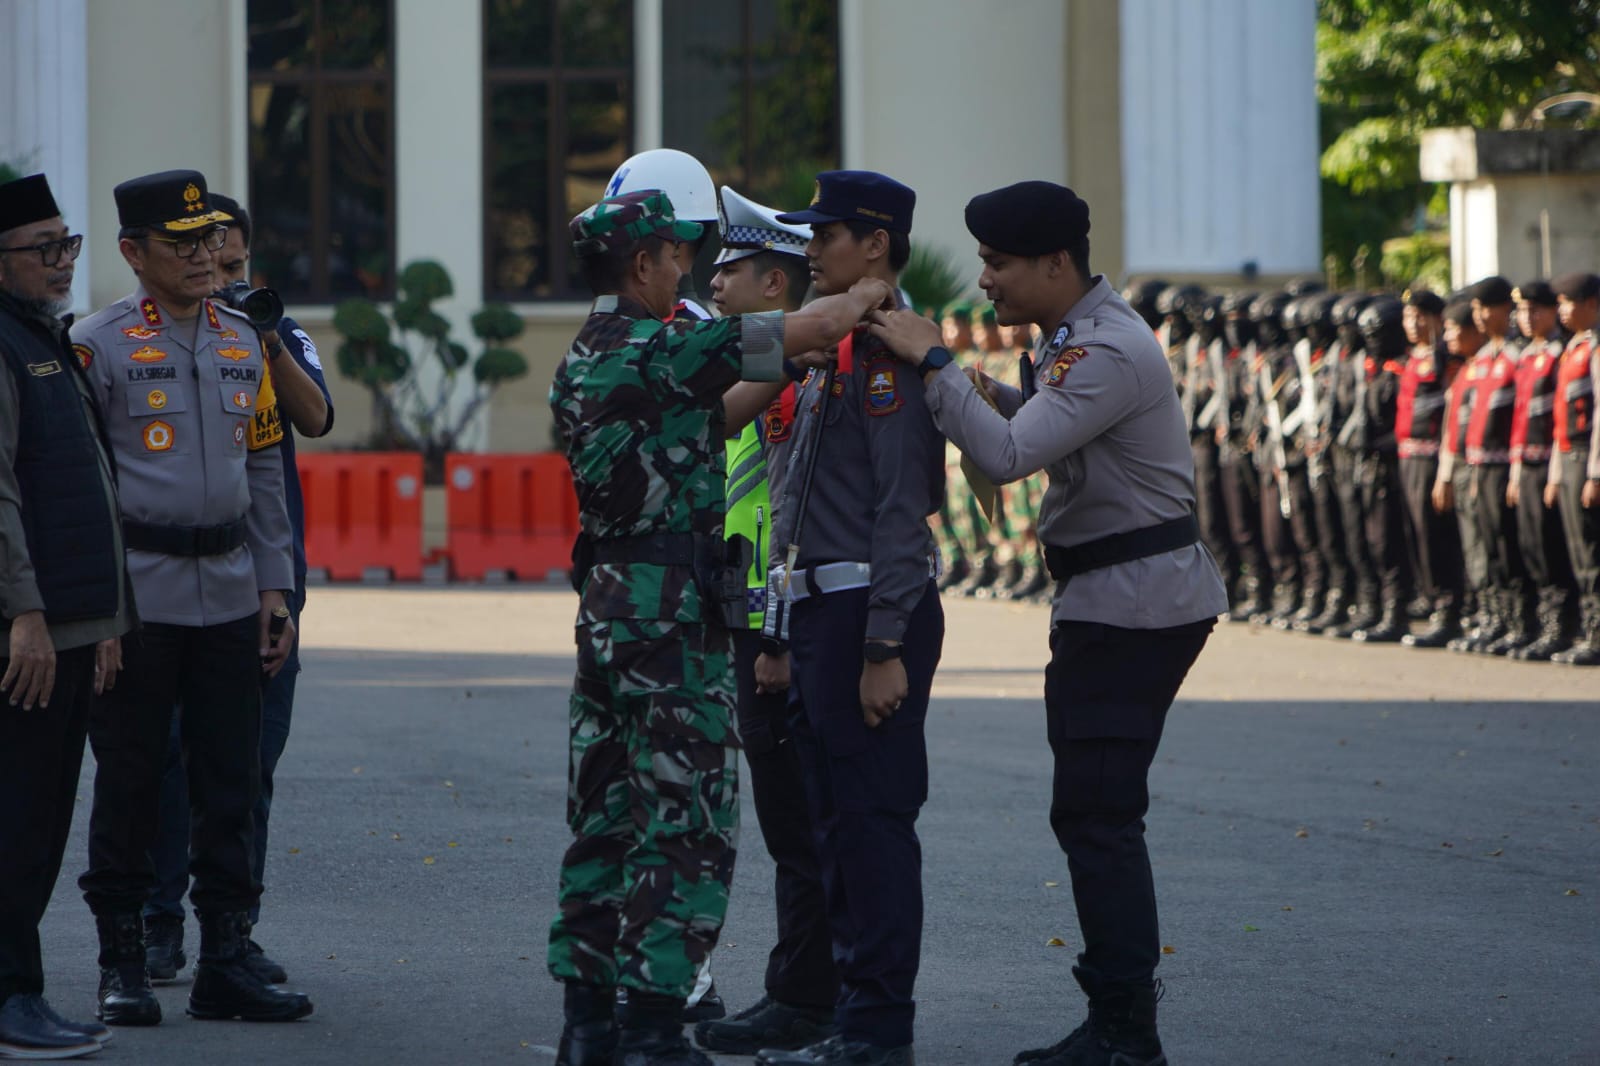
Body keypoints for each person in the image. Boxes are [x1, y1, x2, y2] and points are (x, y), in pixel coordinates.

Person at [869, 180, 1227, 1066]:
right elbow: (1040, 421)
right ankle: (1118, 1022)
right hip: (1115, 597)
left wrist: (935, 363)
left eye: (999, 263)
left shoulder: (1105, 347)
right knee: (1093, 814)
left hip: (1132, 605)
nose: (985, 279)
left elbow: (1007, 456)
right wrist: (985, 388)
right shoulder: (1075, 336)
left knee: (1100, 817)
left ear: (1056, 262)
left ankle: (1125, 1033)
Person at [546, 188, 891, 1066]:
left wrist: (785, 365)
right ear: (642, 264)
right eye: (675, 255)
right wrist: (865, 288)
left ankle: (588, 1029)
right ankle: (656, 1030)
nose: (686, 270)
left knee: (605, 819)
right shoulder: (664, 345)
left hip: (610, 610)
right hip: (669, 618)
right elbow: (816, 326)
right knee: (686, 821)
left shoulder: (592, 356)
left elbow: (715, 414)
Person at [71, 169, 311, 1025]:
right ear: (134, 252)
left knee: (231, 782)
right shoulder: (95, 347)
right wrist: (96, 611)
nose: (206, 256)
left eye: (210, 238)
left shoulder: (245, 339)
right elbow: (82, 490)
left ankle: (226, 958)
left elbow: (265, 474)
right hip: (138, 597)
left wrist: (276, 590)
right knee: (132, 782)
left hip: (231, 593)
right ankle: (124, 961)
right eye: (183, 243)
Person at [746, 170, 943, 1066]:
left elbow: (901, 510)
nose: (811, 249)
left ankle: (878, 1029)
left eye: (826, 235)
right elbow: (795, 505)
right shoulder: (834, 347)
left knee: (871, 828)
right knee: (832, 826)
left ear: (875, 246)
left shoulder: (891, 353)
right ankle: (847, 1016)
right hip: (821, 613)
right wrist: (785, 632)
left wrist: (885, 642)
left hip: (868, 612)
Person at [142, 192, 335, 985]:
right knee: (164, 760)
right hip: (166, 580)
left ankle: (234, 931)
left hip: (264, 578)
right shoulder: (138, 340)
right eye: (208, 263)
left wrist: (263, 337)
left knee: (249, 763)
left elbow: (316, 418)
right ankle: (157, 924)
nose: (221, 279)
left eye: (234, 264)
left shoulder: (273, 331)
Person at [691, 187, 839, 1056]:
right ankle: (802, 989)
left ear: (775, 283)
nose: (714, 285)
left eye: (731, 271)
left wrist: (775, 633)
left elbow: (794, 509)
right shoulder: (760, 360)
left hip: (780, 617)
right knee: (789, 821)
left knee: (802, 820)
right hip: (751, 611)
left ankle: (808, 996)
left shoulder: (801, 367)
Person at [0, 172, 128, 1059]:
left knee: (43, 821)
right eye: (42, 248)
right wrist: (27, 615)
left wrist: (105, 618)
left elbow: (90, 488)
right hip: (29, 637)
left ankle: (20, 991)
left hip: (73, 625)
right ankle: (12, 995)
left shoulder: (44, 338)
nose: (61, 260)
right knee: (19, 821)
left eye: (66, 242)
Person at [1505, 280, 1577, 660]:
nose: (1527, 317)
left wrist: (1554, 472)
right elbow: (1520, 418)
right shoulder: (1526, 355)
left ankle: (1562, 626)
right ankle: (1540, 623)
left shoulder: (1559, 353)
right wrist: (1516, 471)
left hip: (1552, 462)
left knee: (1553, 548)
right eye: (1521, 311)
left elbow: (1559, 418)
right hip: (1527, 463)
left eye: (1535, 310)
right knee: (1530, 546)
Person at [1394, 290, 1465, 649]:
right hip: (1408, 457)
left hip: (1432, 457)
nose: (1413, 323)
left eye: (1421, 316)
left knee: (1436, 537)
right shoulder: (1411, 358)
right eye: (1409, 316)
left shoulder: (1445, 360)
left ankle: (1448, 609)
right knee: (1416, 535)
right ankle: (1430, 597)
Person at [1547, 271, 1600, 665]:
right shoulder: (1572, 348)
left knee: (1591, 551)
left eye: (1568, 302)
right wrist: (1555, 473)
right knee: (1577, 552)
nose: (1562, 310)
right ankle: (1587, 628)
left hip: (1586, 457)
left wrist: (1595, 473)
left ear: (1592, 305)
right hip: (1567, 457)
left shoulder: (1595, 349)